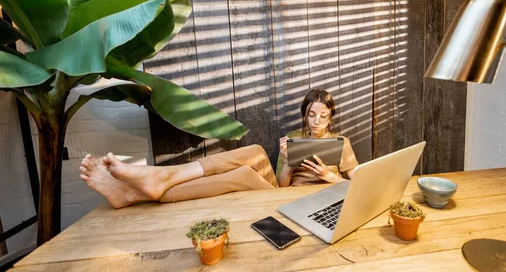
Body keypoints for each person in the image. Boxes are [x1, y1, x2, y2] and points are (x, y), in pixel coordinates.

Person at [80, 89, 359, 209]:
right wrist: (287, 162)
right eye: (312, 115)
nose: (317, 121)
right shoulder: (294, 138)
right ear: (304, 114)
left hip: (305, 202)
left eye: (323, 116)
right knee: (255, 151)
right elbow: (283, 184)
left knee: (244, 176)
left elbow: (360, 183)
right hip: (284, 192)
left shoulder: (341, 143)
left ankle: (138, 191)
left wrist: (330, 177)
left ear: (331, 116)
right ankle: (157, 180)